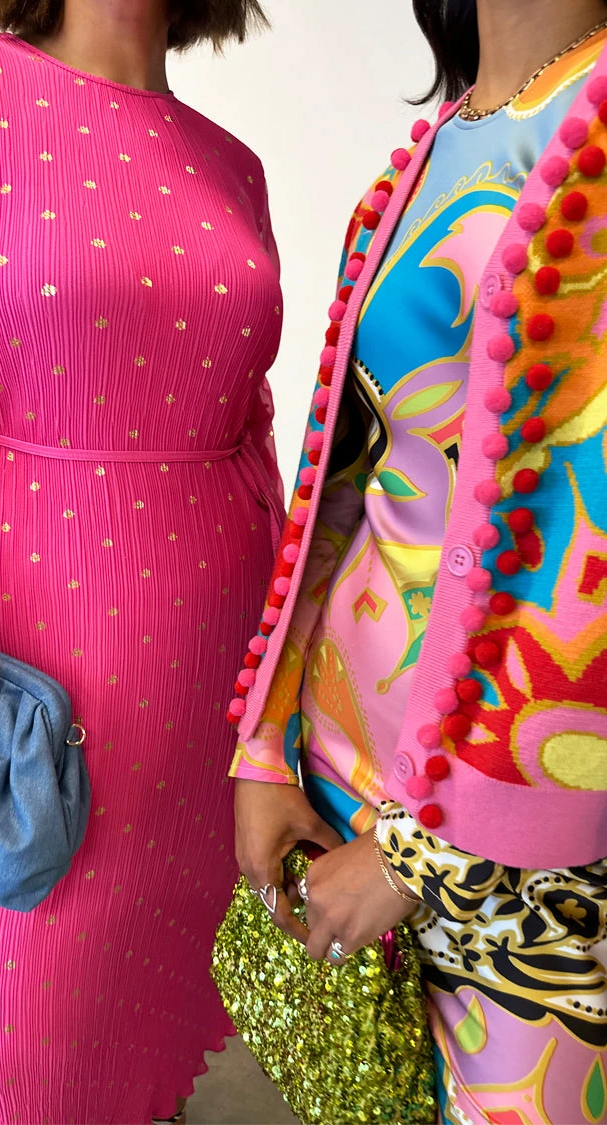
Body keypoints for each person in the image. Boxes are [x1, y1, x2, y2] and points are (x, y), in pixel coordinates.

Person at [0, 1, 284, 1121]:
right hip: (25, 716)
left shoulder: (230, 165)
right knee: (16, 1069)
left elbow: (252, 432)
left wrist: (282, 712)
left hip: (210, 701)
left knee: (145, 1063)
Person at [229, 1, 607, 1121]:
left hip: (528, 851)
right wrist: (266, 746)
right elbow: (346, 482)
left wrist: (419, 860)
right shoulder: (440, 145)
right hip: (345, 771)